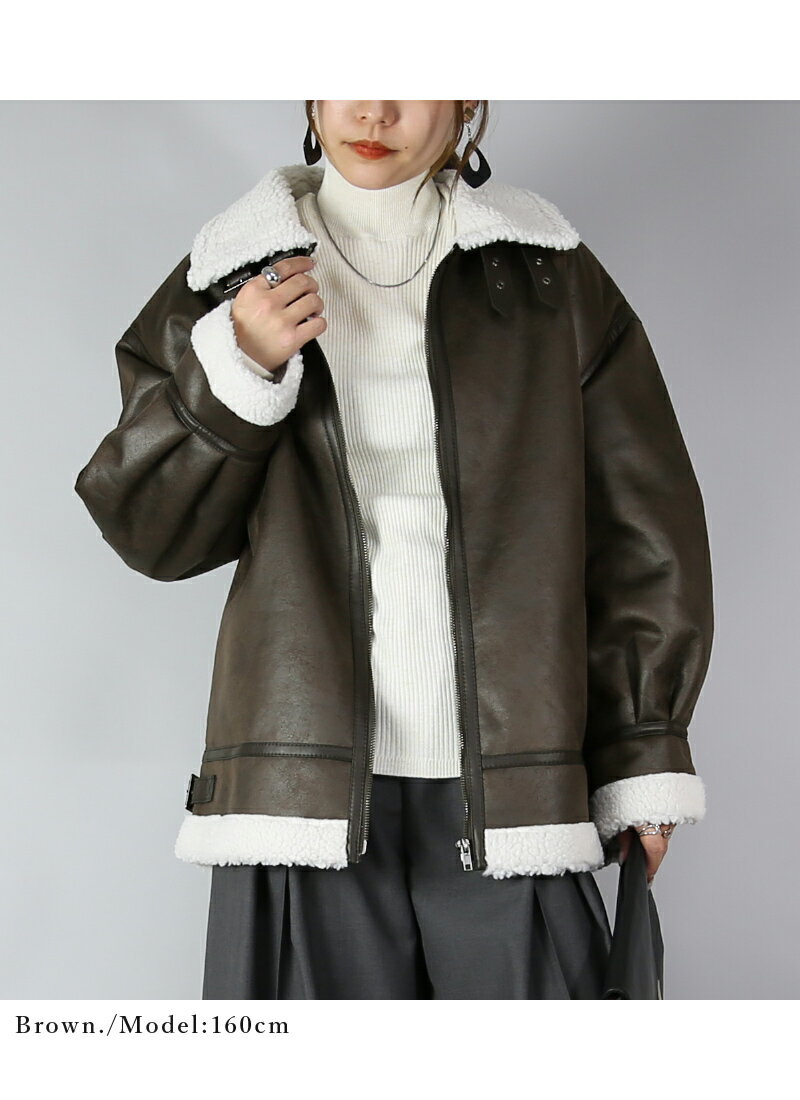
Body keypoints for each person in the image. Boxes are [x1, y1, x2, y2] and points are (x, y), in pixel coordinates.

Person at [74, 100, 714, 999]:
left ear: (465, 98)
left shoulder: (548, 278)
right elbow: (149, 530)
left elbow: (643, 533)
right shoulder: (228, 276)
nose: (373, 108)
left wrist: (644, 748)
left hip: (512, 788)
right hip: (303, 794)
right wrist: (238, 368)